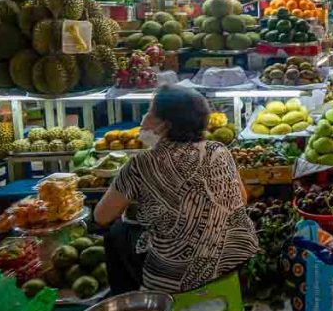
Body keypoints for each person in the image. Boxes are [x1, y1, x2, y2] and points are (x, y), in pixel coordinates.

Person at [94, 85, 258, 293]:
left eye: (150, 112)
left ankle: (130, 304)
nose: (143, 119)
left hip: (174, 278)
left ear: (165, 124)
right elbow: (241, 200)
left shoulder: (141, 164)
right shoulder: (219, 150)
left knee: (116, 231)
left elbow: (101, 216)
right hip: (235, 261)